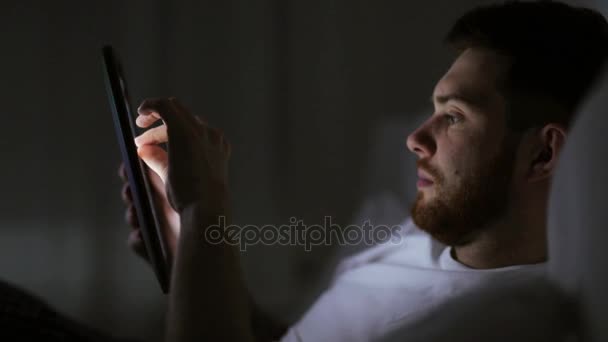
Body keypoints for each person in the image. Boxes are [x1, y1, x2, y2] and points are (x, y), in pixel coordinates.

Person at [120, 1, 608, 341]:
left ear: (542, 155)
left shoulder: (499, 322)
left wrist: (208, 205)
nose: (415, 139)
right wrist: (189, 252)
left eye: (454, 116)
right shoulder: (420, 236)